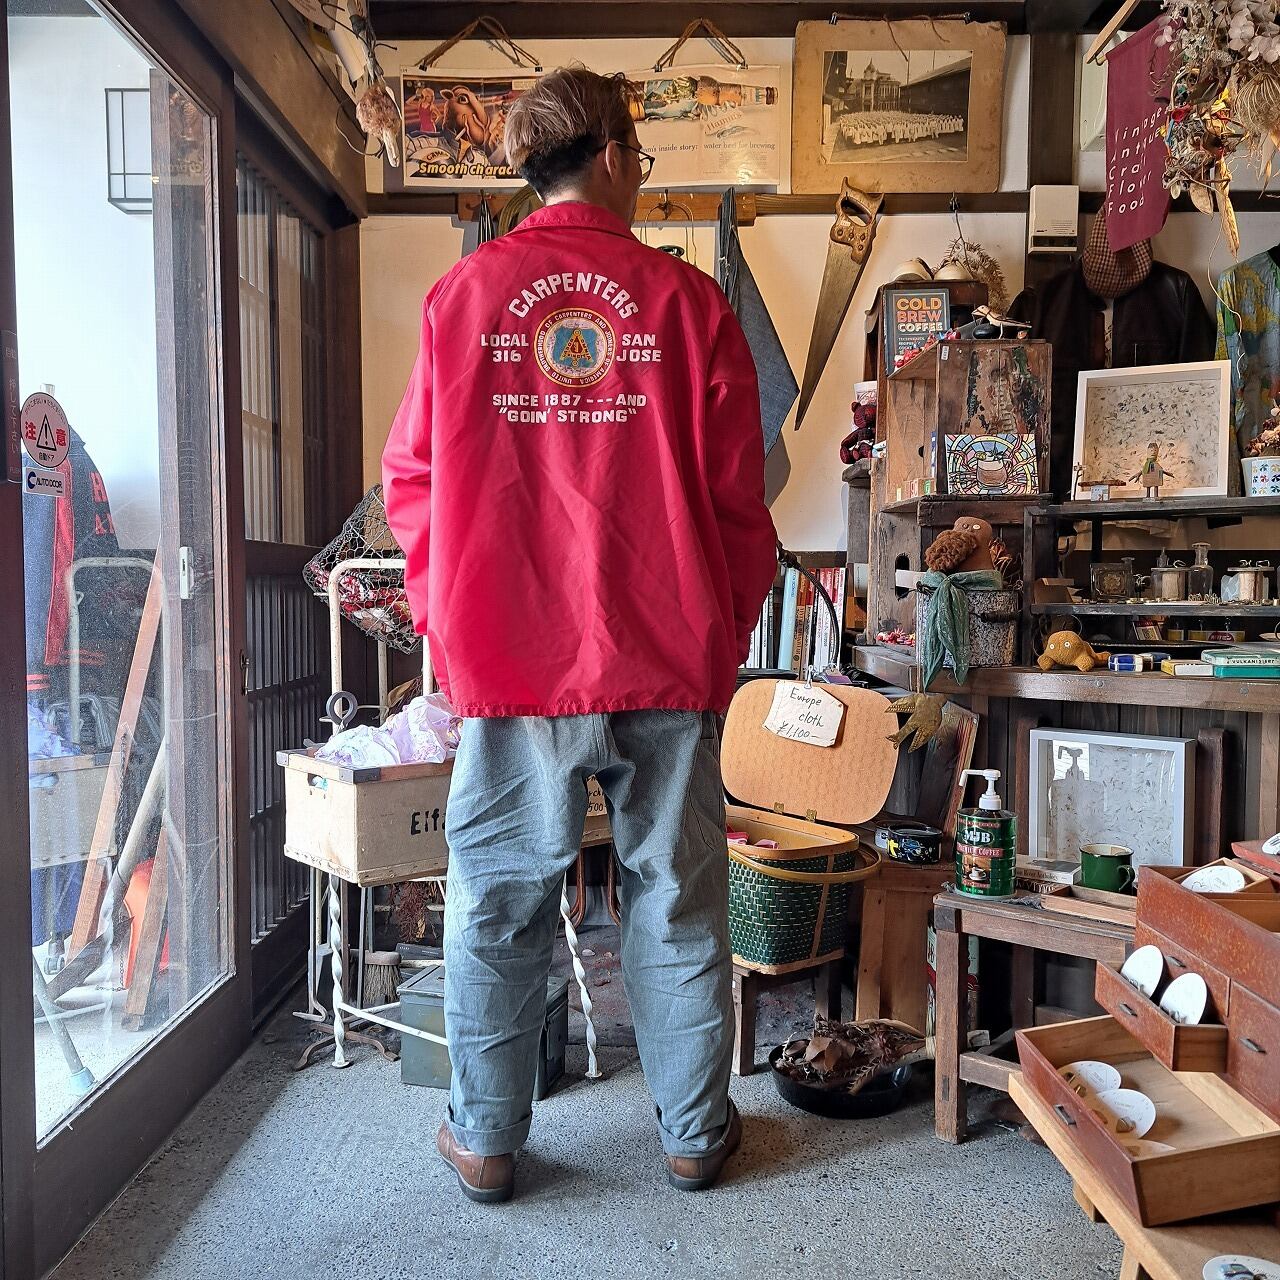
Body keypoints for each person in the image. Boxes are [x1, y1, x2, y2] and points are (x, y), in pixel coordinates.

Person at [381, 66, 777, 1205]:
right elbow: (738, 501)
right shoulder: (688, 304)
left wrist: (451, 624)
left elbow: (412, 482)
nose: (639, 170)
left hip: (511, 661)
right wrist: (718, 633)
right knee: (676, 897)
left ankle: (486, 1140)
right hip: (665, 648)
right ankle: (695, 1133)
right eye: (638, 152)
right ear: (610, 154)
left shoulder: (462, 298)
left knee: (497, 900)